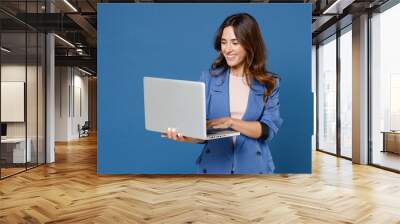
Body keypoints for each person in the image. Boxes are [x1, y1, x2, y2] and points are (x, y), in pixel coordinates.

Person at [165, 13, 283, 174]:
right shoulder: (208, 78)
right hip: (214, 167)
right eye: (223, 42)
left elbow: (267, 130)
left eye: (235, 42)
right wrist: (185, 136)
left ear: (250, 44)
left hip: (255, 168)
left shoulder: (269, 83)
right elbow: (202, 130)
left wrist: (231, 122)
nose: (227, 49)